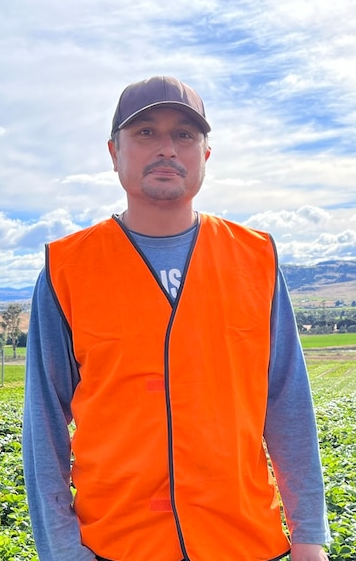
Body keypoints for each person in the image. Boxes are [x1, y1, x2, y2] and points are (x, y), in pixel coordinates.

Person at [22, 75, 331, 561]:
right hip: (117, 544)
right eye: (145, 132)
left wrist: (310, 534)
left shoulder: (256, 258)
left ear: (205, 154)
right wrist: (61, 550)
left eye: (184, 135)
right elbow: (44, 423)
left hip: (246, 541)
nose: (166, 148)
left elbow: (287, 400)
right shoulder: (67, 268)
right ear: (113, 152)